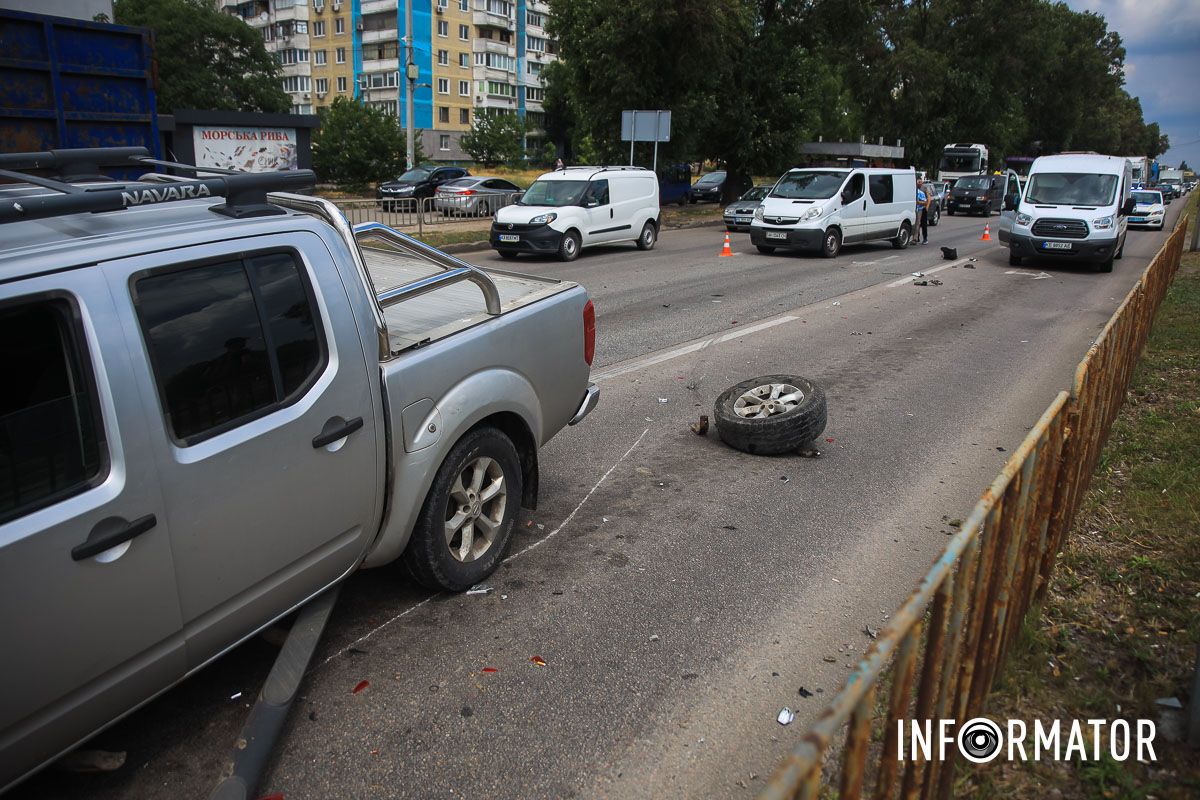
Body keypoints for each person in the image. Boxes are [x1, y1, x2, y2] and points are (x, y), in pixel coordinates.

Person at [915, 178, 932, 244]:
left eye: (920, 181)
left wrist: (927, 207)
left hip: (923, 208)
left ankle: (925, 238)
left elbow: (929, 198)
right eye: (918, 182)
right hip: (917, 208)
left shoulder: (924, 188)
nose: (919, 183)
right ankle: (917, 237)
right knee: (917, 223)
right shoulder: (915, 188)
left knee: (923, 224)